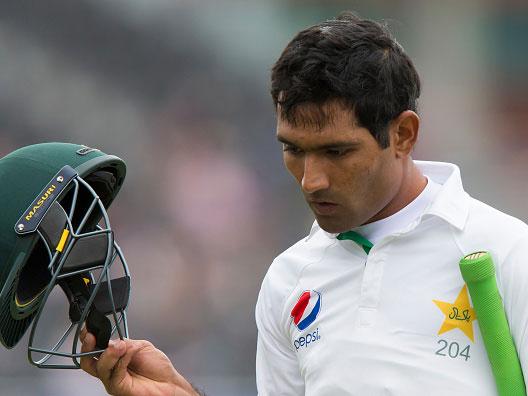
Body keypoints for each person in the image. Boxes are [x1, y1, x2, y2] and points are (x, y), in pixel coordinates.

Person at [80, 11, 528, 395]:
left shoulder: (508, 252)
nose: (312, 180)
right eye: (294, 149)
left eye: (336, 152)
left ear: (403, 134)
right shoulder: (288, 279)